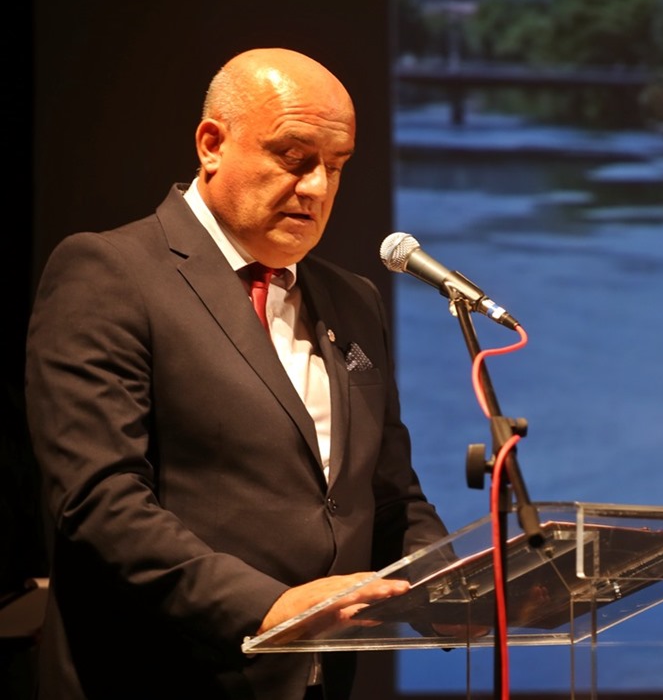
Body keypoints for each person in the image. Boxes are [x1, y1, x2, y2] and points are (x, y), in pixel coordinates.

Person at [24, 47, 452, 699]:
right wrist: (268, 608)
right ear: (212, 144)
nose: (318, 188)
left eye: (336, 166)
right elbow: (99, 501)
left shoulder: (353, 300)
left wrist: (453, 592)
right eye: (294, 157)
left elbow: (387, 495)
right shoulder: (109, 273)